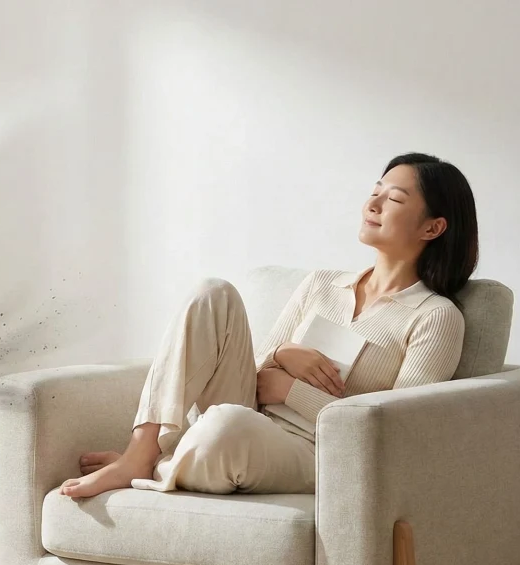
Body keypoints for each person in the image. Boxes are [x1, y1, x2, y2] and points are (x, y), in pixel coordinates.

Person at [61, 152, 477, 499]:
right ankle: (139, 454)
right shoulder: (321, 284)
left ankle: (166, 460)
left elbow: (396, 432)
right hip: (251, 411)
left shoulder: (434, 317)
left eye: (395, 199)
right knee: (212, 292)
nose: (373, 204)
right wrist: (282, 354)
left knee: (225, 426)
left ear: (433, 227)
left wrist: (290, 390)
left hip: (313, 449)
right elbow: (257, 370)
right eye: (375, 191)